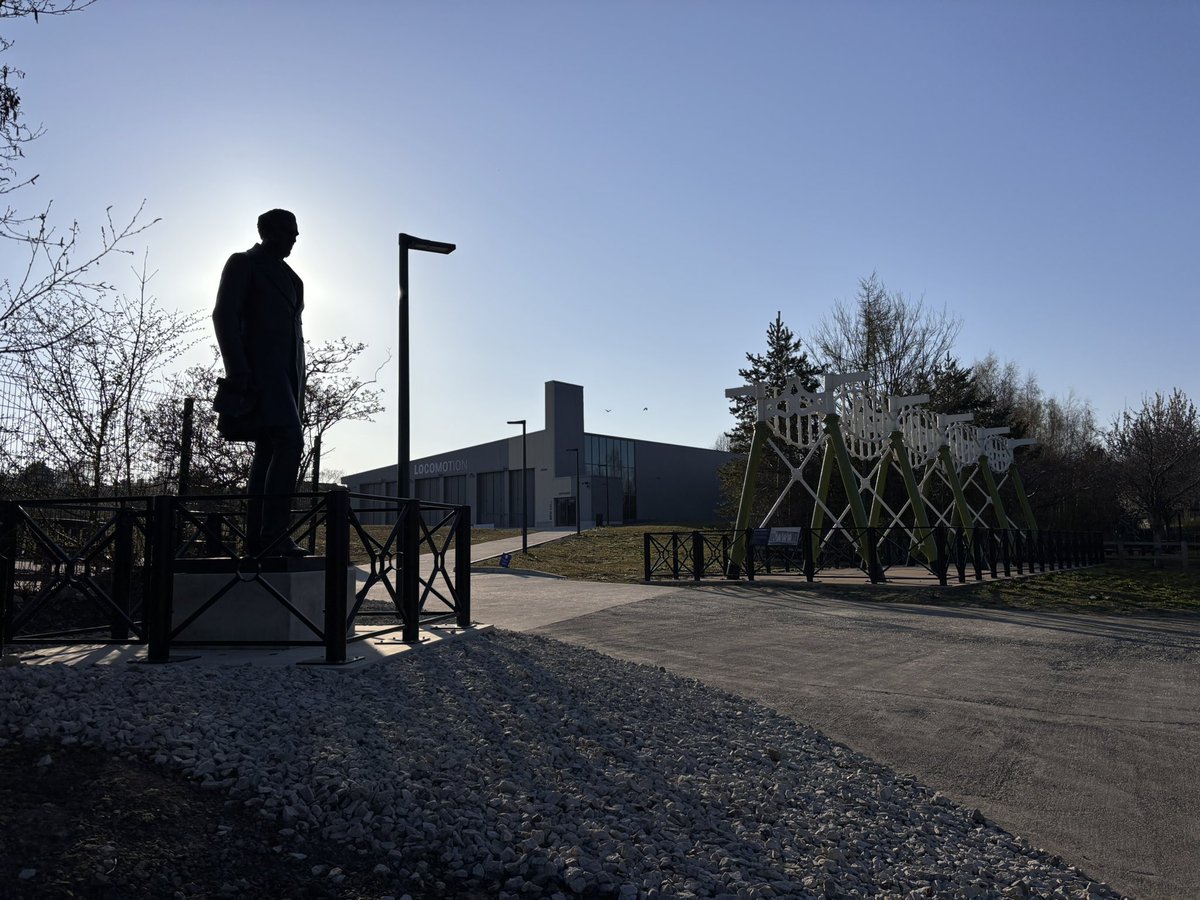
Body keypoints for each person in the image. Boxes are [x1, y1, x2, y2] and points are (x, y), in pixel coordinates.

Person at [212, 208, 309, 557]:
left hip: (290, 376)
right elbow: (223, 314)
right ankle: (272, 535)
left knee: (270, 449)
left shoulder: (294, 279)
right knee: (289, 442)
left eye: (296, 233)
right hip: (260, 372)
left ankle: (258, 539)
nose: (294, 238)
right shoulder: (244, 263)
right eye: (288, 231)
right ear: (267, 231)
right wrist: (238, 369)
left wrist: (299, 382)